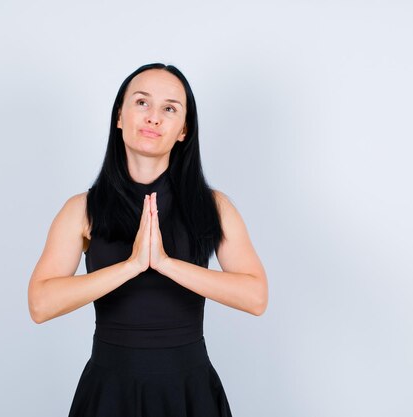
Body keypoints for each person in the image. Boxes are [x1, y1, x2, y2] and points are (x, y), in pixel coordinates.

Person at [28, 62, 268, 416]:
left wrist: (167, 265)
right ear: (120, 116)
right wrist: (131, 266)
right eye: (142, 103)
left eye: (169, 108)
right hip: (110, 392)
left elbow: (256, 297)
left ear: (183, 130)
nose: (154, 117)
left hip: (189, 392)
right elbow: (40, 304)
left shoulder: (214, 206)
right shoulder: (82, 209)